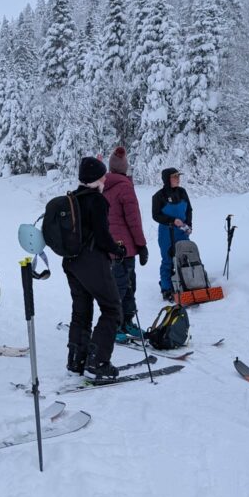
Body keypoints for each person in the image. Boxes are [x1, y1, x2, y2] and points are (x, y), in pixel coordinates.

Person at [64, 156, 127, 381]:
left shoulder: (72, 199)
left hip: (71, 262)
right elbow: (102, 236)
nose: (105, 179)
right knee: (111, 308)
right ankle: (98, 361)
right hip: (92, 262)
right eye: (102, 176)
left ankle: (76, 360)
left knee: (81, 311)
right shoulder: (97, 201)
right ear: (95, 179)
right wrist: (117, 250)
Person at [102, 147, 148, 340]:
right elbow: (133, 220)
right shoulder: (124, 187)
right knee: (124, 287)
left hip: (112, 247)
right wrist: (142, 245)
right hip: (125, 248)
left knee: (125, 286)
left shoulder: (103, 185)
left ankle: (126, 321)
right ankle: (117, 325)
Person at [151, 167, 192, 302]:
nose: (178, 179)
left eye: (178, 176)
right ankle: (166, 288)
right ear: (167, 179)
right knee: (168, 260)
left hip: (182, 231)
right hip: (166, 232)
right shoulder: (158, 196)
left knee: (184, 257)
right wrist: (172, 221)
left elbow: (189, 210)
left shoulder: (182, 192)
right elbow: (156, 215)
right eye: (175, 177)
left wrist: (189, 225)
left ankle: (187, 283)